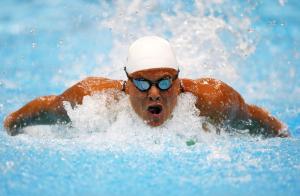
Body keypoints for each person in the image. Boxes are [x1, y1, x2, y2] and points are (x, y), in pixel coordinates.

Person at [3, 36, 289, 137]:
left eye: (164, 82)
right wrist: (10, 124)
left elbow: (255, 118)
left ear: (178, 84)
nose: (154, 93)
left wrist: (285, 137)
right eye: (142, 83)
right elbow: (46, 107)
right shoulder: (91, 99)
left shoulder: (214, 99)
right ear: (127, 84)